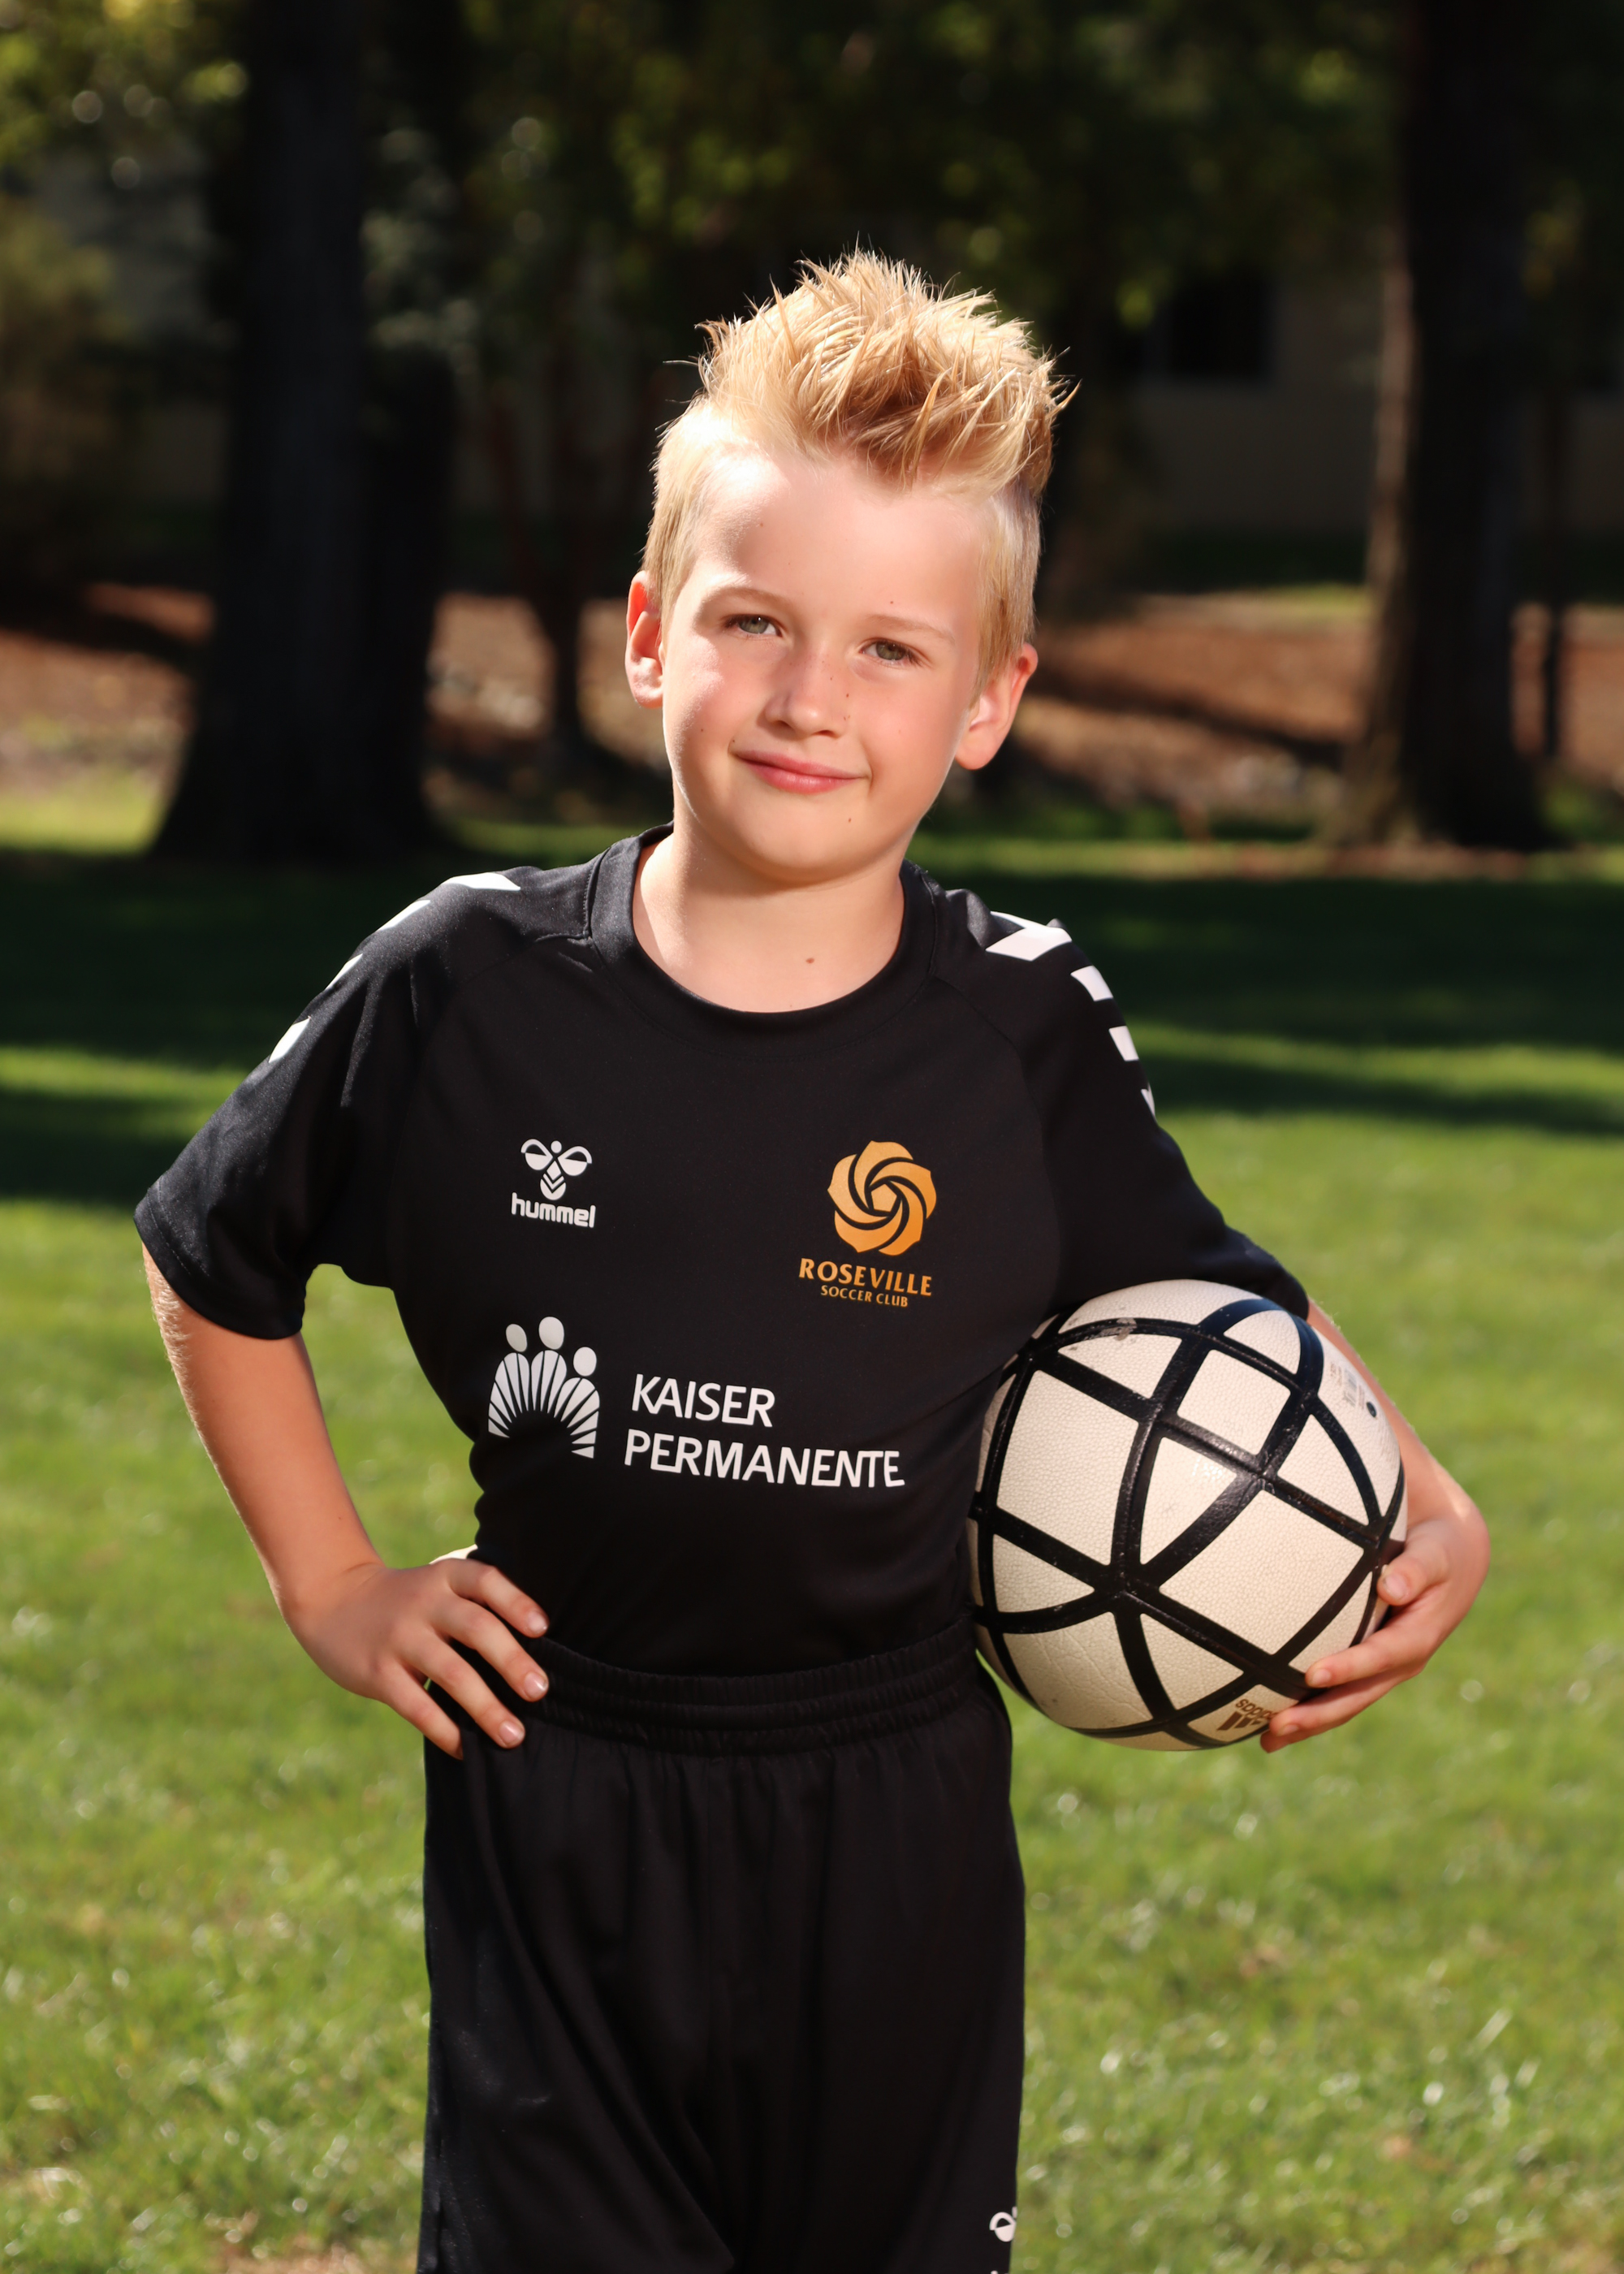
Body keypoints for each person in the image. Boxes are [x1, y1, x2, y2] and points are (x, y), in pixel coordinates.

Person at [137, 253, 1489, 2274]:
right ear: (649, 634)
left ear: (986, 703)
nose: (807, 696)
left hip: (893, 1805)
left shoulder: (1017, 1025)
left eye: (887, 648)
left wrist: (1422, 1486)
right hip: (558, 1775)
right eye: (753, 620)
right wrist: (333, 1580)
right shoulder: (464, 984)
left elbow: (1209, 1283)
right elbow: (213, 1256)